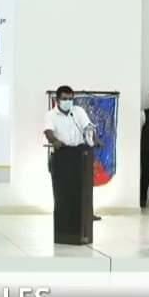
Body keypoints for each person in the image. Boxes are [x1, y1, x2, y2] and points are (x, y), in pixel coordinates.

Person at [43, 85, 102, 221]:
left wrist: (95, 138)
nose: (68, 101)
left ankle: (86, 214)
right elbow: (48, 131)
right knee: (62, 189)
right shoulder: (50, 115)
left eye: (70, 99)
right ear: (57, 100)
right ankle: (64, 216)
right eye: (65, 99)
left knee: (84, 186)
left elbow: (88, 126)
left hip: (80, 153)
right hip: (62, 154)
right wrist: (54, 141)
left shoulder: (78, 111)